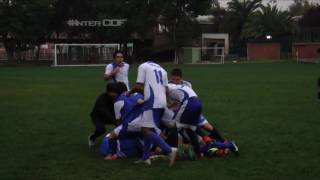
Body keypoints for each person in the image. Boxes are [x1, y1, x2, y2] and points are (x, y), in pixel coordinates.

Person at [132, 57, 177, 166]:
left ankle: (169, 150)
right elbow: (166, 90)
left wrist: (130, 92)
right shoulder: (163, 70)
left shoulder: (143, 66)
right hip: (161, 102)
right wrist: (167, 102)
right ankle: (145, 157)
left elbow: (138, 85)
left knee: (145, 130)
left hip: (151, 101)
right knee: (149, 129)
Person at [88, 83, 118, 147]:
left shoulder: (114, 96)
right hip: (98, 116)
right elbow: (108, 115)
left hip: (109, 114)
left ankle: (120, 140)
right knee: (101, 130)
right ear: (108, 92)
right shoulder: (101, 100)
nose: (115, 94)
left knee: (122, 123)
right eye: (114, 92)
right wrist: (117, 123)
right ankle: (92, 137)